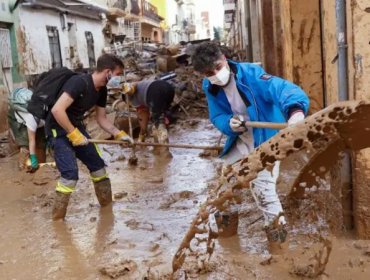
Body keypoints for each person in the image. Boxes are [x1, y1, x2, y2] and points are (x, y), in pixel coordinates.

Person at [191, 42, 309, 250]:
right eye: (210, 73)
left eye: (218, 68)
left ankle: (279, 249)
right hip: (240, 139)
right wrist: (228, 123)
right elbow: (216, 115)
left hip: (266, 140)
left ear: (225, 60)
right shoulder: (210, 86)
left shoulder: (252, 74)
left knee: (263, 192)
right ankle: (228, 240)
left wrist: (295, 111)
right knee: (224, 189)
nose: (216, 75)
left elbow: (281, 89)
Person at [48, 53, 133, 221]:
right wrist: (72, 134)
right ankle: (57, 220)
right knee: (70, 175)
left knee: (98, 166)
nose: (119, 79)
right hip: (58, 129)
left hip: (76, 127)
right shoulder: (79, 83)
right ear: (108, 72)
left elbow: (101, 118)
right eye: (117, 74)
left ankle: (107, 212)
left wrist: (119, 134)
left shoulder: (101, 90)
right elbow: (57, 110)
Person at [108, 78, 175, 145]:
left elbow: (143, 116)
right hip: (168, 88)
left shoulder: (131, 97)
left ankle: (164, 150)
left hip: (155, 91)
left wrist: (142, 134)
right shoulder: (137, 86)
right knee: (159, 118)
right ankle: (159, 144)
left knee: (158, 123)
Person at [8, 87, 46, 172]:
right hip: (18, 119)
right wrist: (33, 157)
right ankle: (23, 170)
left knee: (42, 144)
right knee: (25, 144)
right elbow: (31, 140)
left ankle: (41, 169)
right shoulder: (31, 118)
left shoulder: (47, 112)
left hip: (35, 118)